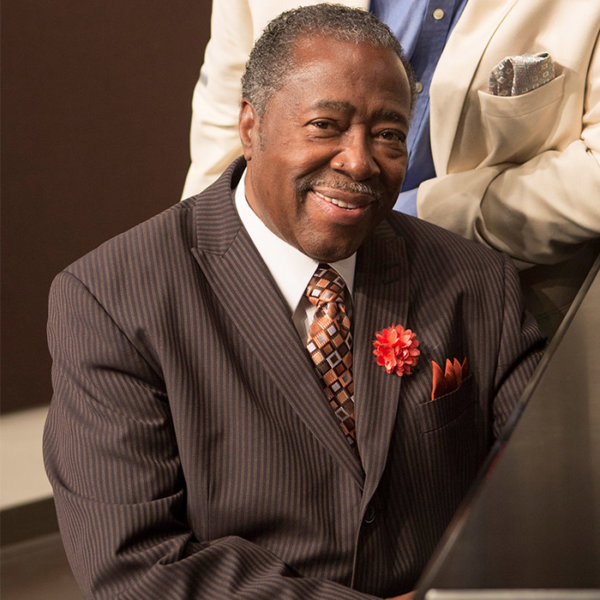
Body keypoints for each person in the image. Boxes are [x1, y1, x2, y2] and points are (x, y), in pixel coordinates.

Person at [44, 6, 543, 599]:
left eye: (387, 133)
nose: (358, 161)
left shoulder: (475, 279)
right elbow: (136, 565)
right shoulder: (113, 301)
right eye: (325, 125)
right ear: (250, 128)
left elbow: (546, 483)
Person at [182, 0, 600, 337]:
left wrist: (420, 218)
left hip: (509, 307)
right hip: (274, 293)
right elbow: (226, 126)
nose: (359, 164)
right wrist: (203, 276)